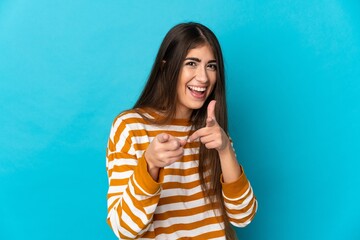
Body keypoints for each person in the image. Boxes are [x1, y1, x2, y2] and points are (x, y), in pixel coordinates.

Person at [106, 22, 257, 240]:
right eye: (192, 63)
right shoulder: (130, 127)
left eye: (211, 66)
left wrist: (225, 150)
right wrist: (150, 164)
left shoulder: (213, 130)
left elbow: (243, 216)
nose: (203, 78)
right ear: (166, 66)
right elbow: (125, 229)